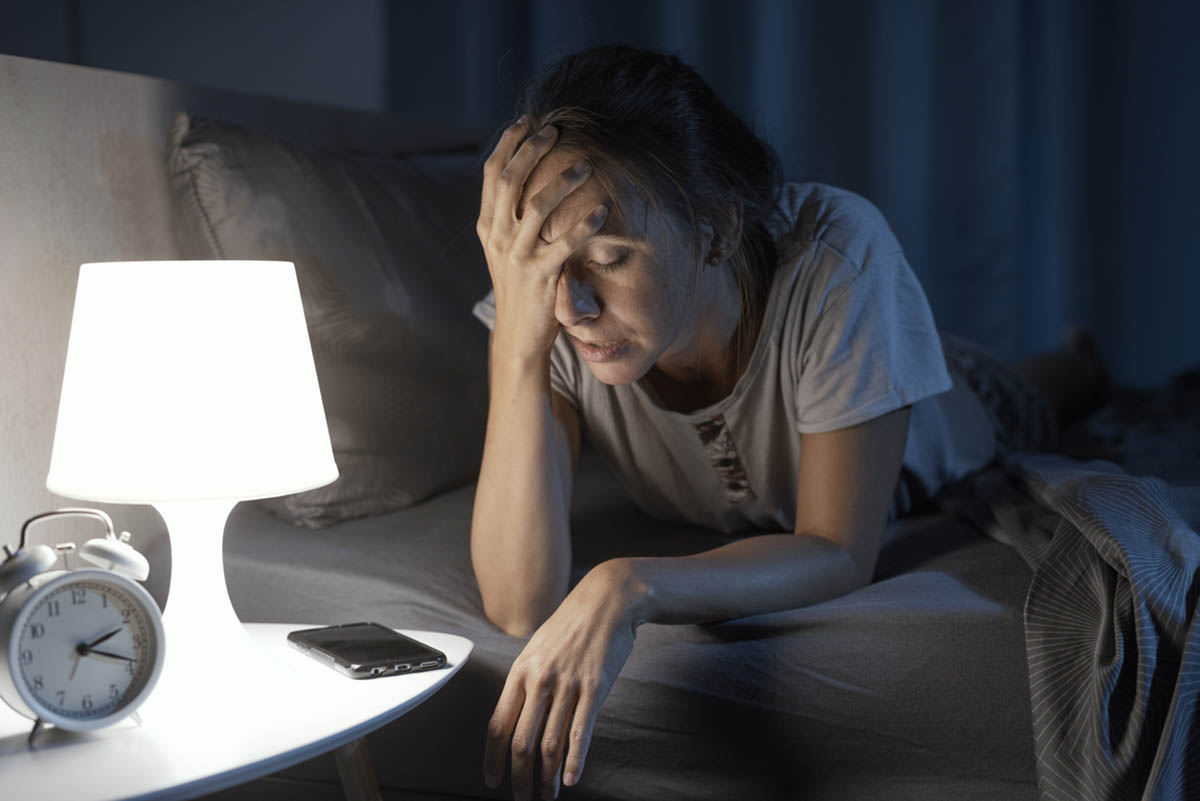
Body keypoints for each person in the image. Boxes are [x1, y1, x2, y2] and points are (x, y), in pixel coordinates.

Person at [469, 44, 1108, 801]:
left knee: (1029, 394)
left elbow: (837, 548)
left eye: (611, 257)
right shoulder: (542, 316)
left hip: (952, 414)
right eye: (545, 264)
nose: (573, 307)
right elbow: (516, 600)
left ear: (715, 230)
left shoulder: (839, 260)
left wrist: (627, 583)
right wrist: (516, 337)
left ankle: (1081, 362)